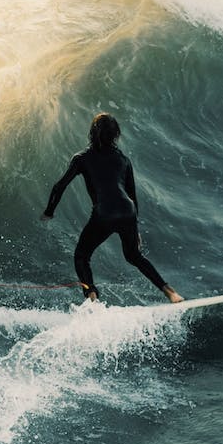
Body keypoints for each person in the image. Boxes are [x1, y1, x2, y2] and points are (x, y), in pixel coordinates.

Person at [41, 113, 183, 303]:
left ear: (92, 133)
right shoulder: (123, 160)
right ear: (115, 134)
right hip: (128, 211)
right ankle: (170, 292)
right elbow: (132, 194)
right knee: (134, 256)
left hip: (104, 214)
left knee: (81, 256)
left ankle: (92, 297)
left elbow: (59, 186)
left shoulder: (82, 158)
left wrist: (49, 212)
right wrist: (135, 227)